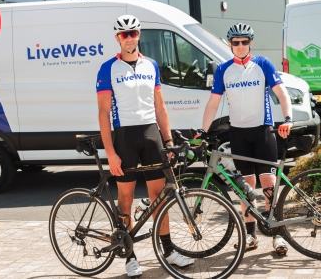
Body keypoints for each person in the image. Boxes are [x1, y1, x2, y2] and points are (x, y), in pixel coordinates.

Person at [96, 15, 194, 278]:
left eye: (133, 33)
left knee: (159, 197)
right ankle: (129, 256)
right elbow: (103, 114)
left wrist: (169, 141)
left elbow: (160, 108)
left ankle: (168, 250)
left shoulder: (151, 65)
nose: (129, 38)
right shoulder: (108, 69)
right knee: (125, 198)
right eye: (124, 34)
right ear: (117, 38)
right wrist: (111, 153)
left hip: (151, 135)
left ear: (139, 35)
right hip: (125, 137)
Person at [197, 23, 292, 255]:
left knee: (269, 185)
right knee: (245, 188)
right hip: (238, 134)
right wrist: (202, 131)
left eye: (245, 42)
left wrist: (288, 118)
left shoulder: (262, 64)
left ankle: (278, 235)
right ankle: (250, 236)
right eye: (236, 42)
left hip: (263, 132)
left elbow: (281, 92)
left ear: (251, 42)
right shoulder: (223, 70)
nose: (240, 46)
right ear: (229, 44)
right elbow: (213, 103)